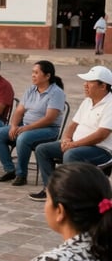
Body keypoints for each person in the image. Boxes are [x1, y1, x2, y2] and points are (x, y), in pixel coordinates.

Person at [31, 65, 112, 202]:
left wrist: (74, 145)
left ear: (103, 86)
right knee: (42, 149)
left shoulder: (110, 104)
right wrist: (66, 139)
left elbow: (101, 134)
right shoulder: (87, 101)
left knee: (71, 154)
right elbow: (73, 124)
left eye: (89, 82)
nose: (85, 85)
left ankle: (69, 195)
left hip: (101, 149)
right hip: (77, 144)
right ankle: (50, 190)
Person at [0, 61, 65, 187]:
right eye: (32, 72)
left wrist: (26, 128)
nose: (33, 75)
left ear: (47, 76)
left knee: (23, 138)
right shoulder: (31, 89)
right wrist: (14, 125)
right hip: (25, 126)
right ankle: (10, 170)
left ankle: (21, 174)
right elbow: (19, 111)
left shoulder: (56, 92)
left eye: (36, 73)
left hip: (48, 129)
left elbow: (49, 118)